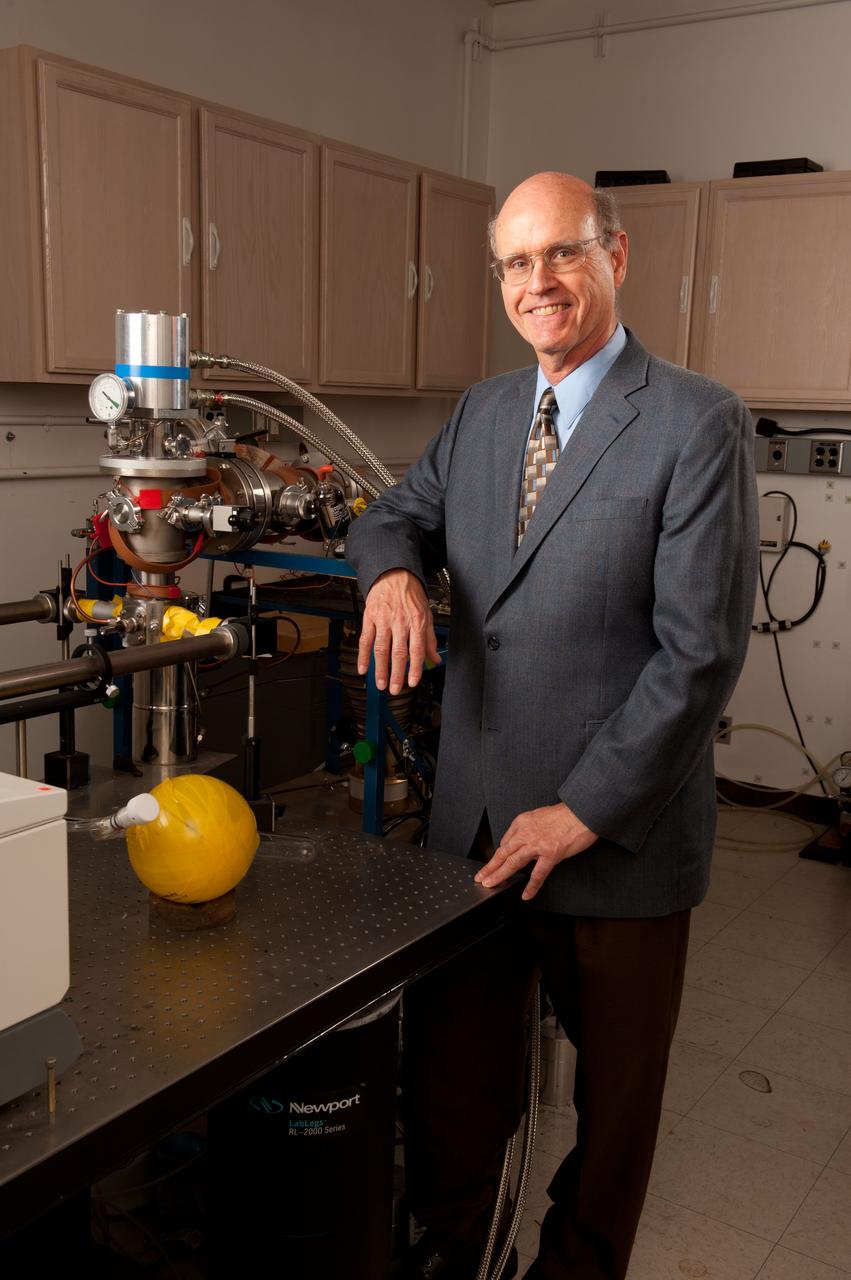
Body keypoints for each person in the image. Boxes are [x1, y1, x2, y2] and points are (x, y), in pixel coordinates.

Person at [345, 171, 758, 1280]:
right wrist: (389, 577)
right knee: (452, 1082)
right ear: (498, 281)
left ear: (614, 256)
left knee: (614, 1108)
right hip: (477, 826)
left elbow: (698, 653)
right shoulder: (483, 413)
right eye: (518, 262)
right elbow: (393, 515)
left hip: (613, 839)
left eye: (563, 254)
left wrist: (580, 809)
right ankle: (451, 1245)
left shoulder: (694, 421)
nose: (541, 282)